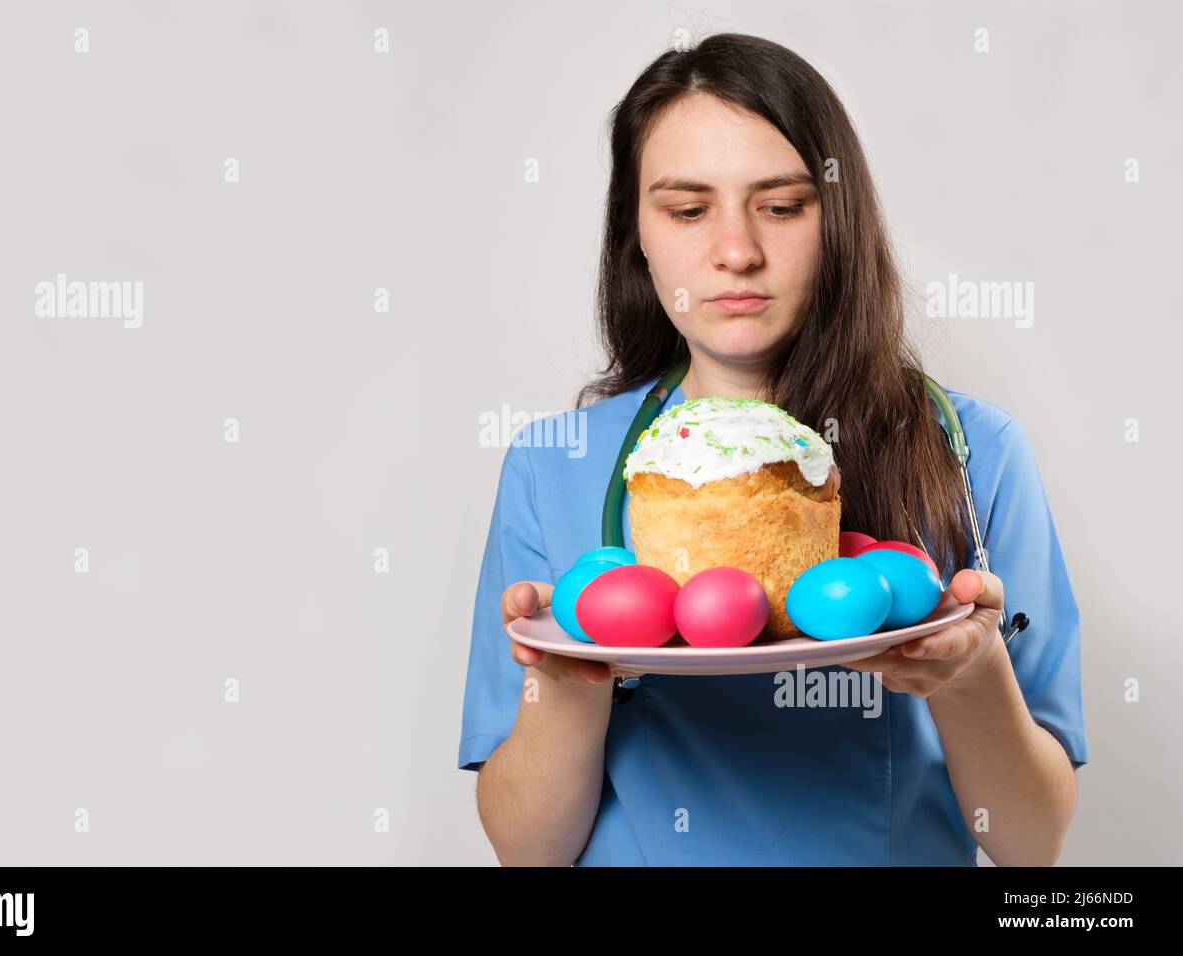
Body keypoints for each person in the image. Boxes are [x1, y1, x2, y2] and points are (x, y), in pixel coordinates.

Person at [456, 33, 1087, 866]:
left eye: (783, 205)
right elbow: (527, 852)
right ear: (634, 233)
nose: (736, 251)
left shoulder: (974, 452)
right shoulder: (554, 462)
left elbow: (1030, 846)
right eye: (687, 210)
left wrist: (970, 680)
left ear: (840, 217)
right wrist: (571, 686)